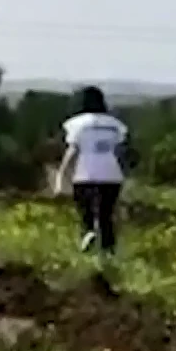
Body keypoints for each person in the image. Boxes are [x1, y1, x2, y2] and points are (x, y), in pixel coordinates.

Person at [53, 86, 129, 256]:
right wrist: (125, 177)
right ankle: (108, 253)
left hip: (85, 175)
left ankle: (89, 232)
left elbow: (72, 152)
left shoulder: (77, 124)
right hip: (112, 176)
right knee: (106, 215)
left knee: (86, 210)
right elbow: (121, 153)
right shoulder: (115, 126)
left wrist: (61, 178)